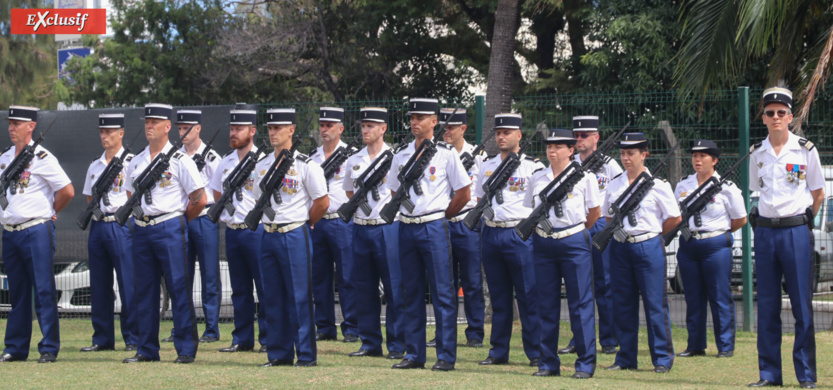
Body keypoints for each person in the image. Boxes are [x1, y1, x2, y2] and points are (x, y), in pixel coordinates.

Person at [386, 98, 471, 371]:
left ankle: (445, 356)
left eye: (420, 118)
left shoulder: (446, 153)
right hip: (406, 226)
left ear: (434, 122)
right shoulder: (401, 154)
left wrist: (443, 215)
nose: (414, 122)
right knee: (411, 292)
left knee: (442, 293)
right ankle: (414, 354)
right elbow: (393, 190)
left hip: (433, 226)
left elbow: (464, 192)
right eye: (412, 117)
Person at [747, 87, 823, 389]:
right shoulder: (757, 153)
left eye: (781, 112)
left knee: (801, 305)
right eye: (770, 113)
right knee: (767, 305)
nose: (776, 117)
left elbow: (818, 192)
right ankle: (769, 374)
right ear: (764, 118)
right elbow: (757, 191)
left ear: (790, 117)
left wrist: (805, 220)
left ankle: (805, 375)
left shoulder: (805, 150)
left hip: (795, 231)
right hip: (765, 232)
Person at [122, 103, 206, 364]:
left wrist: (178, 220)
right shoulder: (136, 161)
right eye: (147, 122)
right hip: (142, 228)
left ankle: (186, 349)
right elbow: (129, 194)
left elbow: (199, 198)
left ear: (168, 126)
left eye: (155, 122)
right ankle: (146, 349)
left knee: (178, 288)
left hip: (170, 227)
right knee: (145, 291)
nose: (149, 126)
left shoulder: (180, 160)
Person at [0, 106, 74, 363]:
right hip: (10, 232)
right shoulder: (5, 157)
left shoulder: (42, 157)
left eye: (17, 124)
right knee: (18, 293)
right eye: (10, 123)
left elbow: (67, 190)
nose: (11, 128)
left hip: (36, 230)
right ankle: (15, 347)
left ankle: (49, 347)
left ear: (31, 126)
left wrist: (51, 211)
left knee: (43, 290)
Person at [255, 108, 329, 367]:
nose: (273, 133)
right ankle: (278, 353)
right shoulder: (262, 165)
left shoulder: (306, 165)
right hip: (269, 234)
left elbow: (322, 202)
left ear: (292, 130)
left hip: (295, 233)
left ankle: (306, 355)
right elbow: (258, 199)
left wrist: (306, 222)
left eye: (278, 128)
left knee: (299, 296)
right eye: (270, 128)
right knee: (272, 297)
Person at [603, 132, 681, 374]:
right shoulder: (615, 183)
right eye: (623, 153)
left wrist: (654, 234)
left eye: (631, 153)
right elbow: (608, 216)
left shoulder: (658, 185)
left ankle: (662, 358)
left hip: (648, 246)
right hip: (620, 246)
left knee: (654, 304)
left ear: (644, 154)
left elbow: (674, 218)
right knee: (623, 303)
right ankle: (626, 357)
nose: (626, 158)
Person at [527, 128, 601, 378]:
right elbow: (530, 208)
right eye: (549, 146)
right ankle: (548, 363)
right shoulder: (537, 177)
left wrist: (573, 232)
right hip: (543, 243)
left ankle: (585, 364)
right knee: (546, 304)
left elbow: (594, 213)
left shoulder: (585, 177)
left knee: (580, 303)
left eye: (558, 146)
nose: (552, 150)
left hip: (573, 242)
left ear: (571, 150)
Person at [475, 113, 544, 369]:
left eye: (507, 132)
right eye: (498, 133)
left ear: (519, 135)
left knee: (528, 295)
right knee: (499, 296)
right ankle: (498, 351)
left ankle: (535, 352)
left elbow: (538, 204)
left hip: (519, 233)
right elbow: (479, 198)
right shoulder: (487, 165)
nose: (501, 137)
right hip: (492, 232)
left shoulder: (532, 166)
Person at [674, 139, 746, 359]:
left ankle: (725, 346)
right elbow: (676, 215)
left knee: (719, 296)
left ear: (714, 160)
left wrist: (717, 233)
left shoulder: (727, 188)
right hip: (689, 244)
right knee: (693, 297)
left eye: (703, 156)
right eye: (694, 156)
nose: (697, 160)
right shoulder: (683, 185)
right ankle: (695, 345)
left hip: (715, 245)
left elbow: (740, 219)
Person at [343, 107, 405, 359]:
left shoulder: (395, 158)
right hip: (361, 226)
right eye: (363, 126)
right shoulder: (354, 159)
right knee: (364, 288)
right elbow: (349, 191)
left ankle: (397, 344)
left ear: (383, 129)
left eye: (370, 126)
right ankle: (369, 342)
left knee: (393, 287)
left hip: (387, 227)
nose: (365, 130)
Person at [559, 115, 621, 356]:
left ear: (596, 137)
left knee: (605, 284)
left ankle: (608, 339)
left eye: (584, 135)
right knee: (578, 286)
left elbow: (620, 193)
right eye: (576, 135)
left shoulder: (609, 165)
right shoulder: (569, 163)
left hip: (600, 225)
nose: (579, 139)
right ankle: (579, 338)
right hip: (575, 226)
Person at [209, 108, 270, 354]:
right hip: (233, 230)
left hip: (257, 230)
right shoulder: (226, 161)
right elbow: (216, 192)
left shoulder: (264, 160)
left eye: (239, 129)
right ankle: (242, 338)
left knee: (264, 287)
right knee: (240, 289)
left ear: (252, 131)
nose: (233, 133)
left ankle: (268, 338)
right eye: (232, 129)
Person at [158, 109, 221, 344]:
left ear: (198, 128)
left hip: (204, 217)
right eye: (180, 128)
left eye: (187, 128)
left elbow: (219, 190)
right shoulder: (174, 157)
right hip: (182, 217)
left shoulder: (211, 157)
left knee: (209, 274)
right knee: (180, 275)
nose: (183, 132)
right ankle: (181, 327)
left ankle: (211, 329)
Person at [80, 113, 138, 353]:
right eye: (102, 132)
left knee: (128, 283)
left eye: (109, 132)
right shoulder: (95, 165)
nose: (104, 136)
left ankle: (133, 337)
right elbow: (89, 197)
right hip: (98, 225)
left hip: (121, 225)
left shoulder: (132, 162)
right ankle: (102, 338)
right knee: (99, 284)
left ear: (121, 133)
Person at [309, 106, 359, 343]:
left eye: (329, 125)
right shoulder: (312, 157)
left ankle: (351, 327)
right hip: (319, 221)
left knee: (348, 276)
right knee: (320, 277)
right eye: (322, 125)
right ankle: (325, 326)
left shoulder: (351, 156)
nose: (324, 129)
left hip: (342, 220)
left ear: (340, 129)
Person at [438, 107, 485, 349]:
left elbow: (482, 192)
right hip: (442, 222)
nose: (446, 131)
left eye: (451, 127)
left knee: (472, 281)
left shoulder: (477, 156)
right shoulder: (436, 154)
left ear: (463, 129)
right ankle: (444, 334)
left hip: (467, 223)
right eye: (444, 127)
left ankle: (475, 333)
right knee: (444, 283)